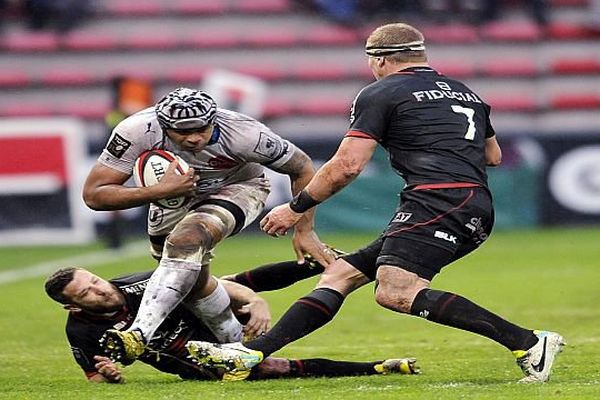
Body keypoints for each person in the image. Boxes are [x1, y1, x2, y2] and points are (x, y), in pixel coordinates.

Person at [186, 23, 565, 384]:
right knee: (339, 274)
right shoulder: (464, 91)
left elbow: (347, 165)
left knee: (395, 292)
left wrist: (295, 207)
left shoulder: (380, 92)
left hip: (438, 199)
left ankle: (528, 342)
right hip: (470, 199)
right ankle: (250, 353)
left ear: (380, 59)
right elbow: (493, 156)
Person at [82, 87, 334, 364]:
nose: (193, 138)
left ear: (214, 119)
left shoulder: (245, 134)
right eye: (182, 132)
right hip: (170, 198)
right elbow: (94, 195)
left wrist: (304, 230)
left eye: (202, 128)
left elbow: (303, 168)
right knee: (189, 280)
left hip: (238, 186)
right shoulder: (136, 131)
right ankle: (236, 346)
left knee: (186, 241)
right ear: (163, 125)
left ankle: (139, 333)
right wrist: (160, 192)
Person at [44, 264, 419, 383]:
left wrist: (255, 302)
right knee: (271, 367)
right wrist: (109, 374)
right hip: (195, 362)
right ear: (71, 307)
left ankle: (325, 265)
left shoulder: (138, 284)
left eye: (95, 280)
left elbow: (217, 285)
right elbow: (95, 376)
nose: (101, 290)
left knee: (218, 284)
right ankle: (377, 366)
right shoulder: (81, 331)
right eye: (87, 293)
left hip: (216, 321)